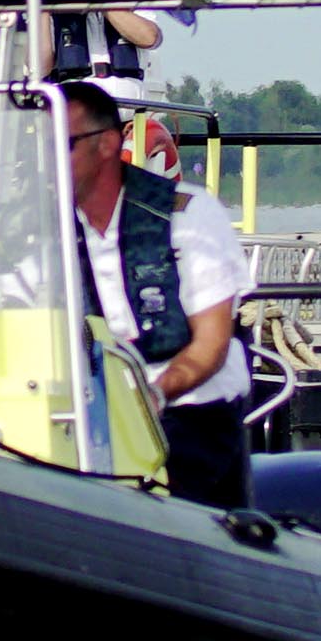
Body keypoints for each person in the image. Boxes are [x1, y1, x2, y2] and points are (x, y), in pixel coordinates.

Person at [57, 76, 258, 508]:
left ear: (107, 144)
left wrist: (152, 396)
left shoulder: (186, 215)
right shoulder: (38, 228)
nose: (47, 157)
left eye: (63, 143)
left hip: (187, 409)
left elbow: (211, 344)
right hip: (85, 412)